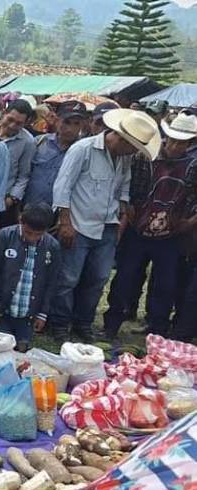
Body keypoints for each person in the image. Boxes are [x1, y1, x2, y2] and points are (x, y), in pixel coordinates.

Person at [49, 109, 157, 342]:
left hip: (108, 226)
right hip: (78, 224)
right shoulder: (83, 149)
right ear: (119, 137)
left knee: (98, 278)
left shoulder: (125, 157)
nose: (134, 152)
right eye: (132, 147)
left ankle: (83, 323)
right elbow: (62, 187)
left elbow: (123, 189)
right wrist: (65, 222)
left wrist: (121, 221)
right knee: (68, 278)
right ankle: (60, 323)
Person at [103, 113, 197, 339]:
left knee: (165, 284)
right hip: (137, 227)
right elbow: (127, 185)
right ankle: (111, 324)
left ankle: (157, 328)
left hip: (172, 233)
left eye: (182, 142)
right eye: (173, 140)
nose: (176, 146)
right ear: (166, 137)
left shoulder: (193, 165)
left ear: (190, 143)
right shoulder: (143, 156)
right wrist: (128, 207)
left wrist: (191, 222)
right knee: (125, 277)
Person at [0, 203, 62, 352]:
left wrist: (42, 314)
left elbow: (51, 283)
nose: (32, 238)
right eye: (28, 232)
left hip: (27, 313)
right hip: (2, 309)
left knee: (21, 349)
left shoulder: (52, 247)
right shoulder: (4, 237)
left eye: (38, 234)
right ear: (21, 220)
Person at [23, 101, 87, 207]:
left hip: (62, 212)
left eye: (76, 124)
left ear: (82, 125)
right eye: (66, 122)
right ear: (57, 120)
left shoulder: (84, 151)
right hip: (30, 209)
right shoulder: (39, 143)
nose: (70, 129)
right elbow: (23, 175)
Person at [0, 99, 37, 228]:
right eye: (10, 120)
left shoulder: (27, 142)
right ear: (3, 113)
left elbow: (24, 175)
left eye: (19, 123)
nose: (12, 126)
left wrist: (12, 198)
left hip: (4, 199)